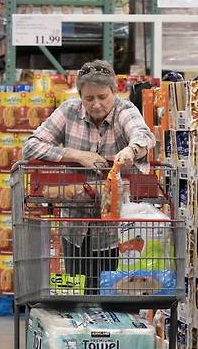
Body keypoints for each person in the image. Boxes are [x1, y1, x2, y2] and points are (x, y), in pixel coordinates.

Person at [23, 59, 156, 290]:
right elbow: (31, 145)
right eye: (89, 98)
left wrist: (130, 150)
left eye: (103, 97)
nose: (95, 104)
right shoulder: (69, 111)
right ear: (80, 95)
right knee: (78, 291)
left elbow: (143, 136)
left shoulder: (125, 111)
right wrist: (76, 155)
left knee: (115, 291)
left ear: (115, 92)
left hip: (117, 230)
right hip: (75, 225)